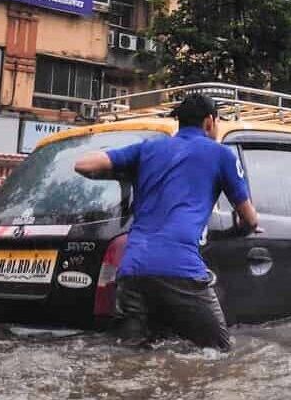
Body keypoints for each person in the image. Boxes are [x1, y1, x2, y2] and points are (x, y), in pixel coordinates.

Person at [74, 93, 260, 350]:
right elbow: (250, 218)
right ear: (209, 122)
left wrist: (125, 173)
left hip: (132, 271)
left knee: (132, 355)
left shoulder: (147, 148)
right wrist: (243, 227)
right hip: (181, 269)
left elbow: (83, 164)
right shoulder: (221, 155)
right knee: (220, 353)